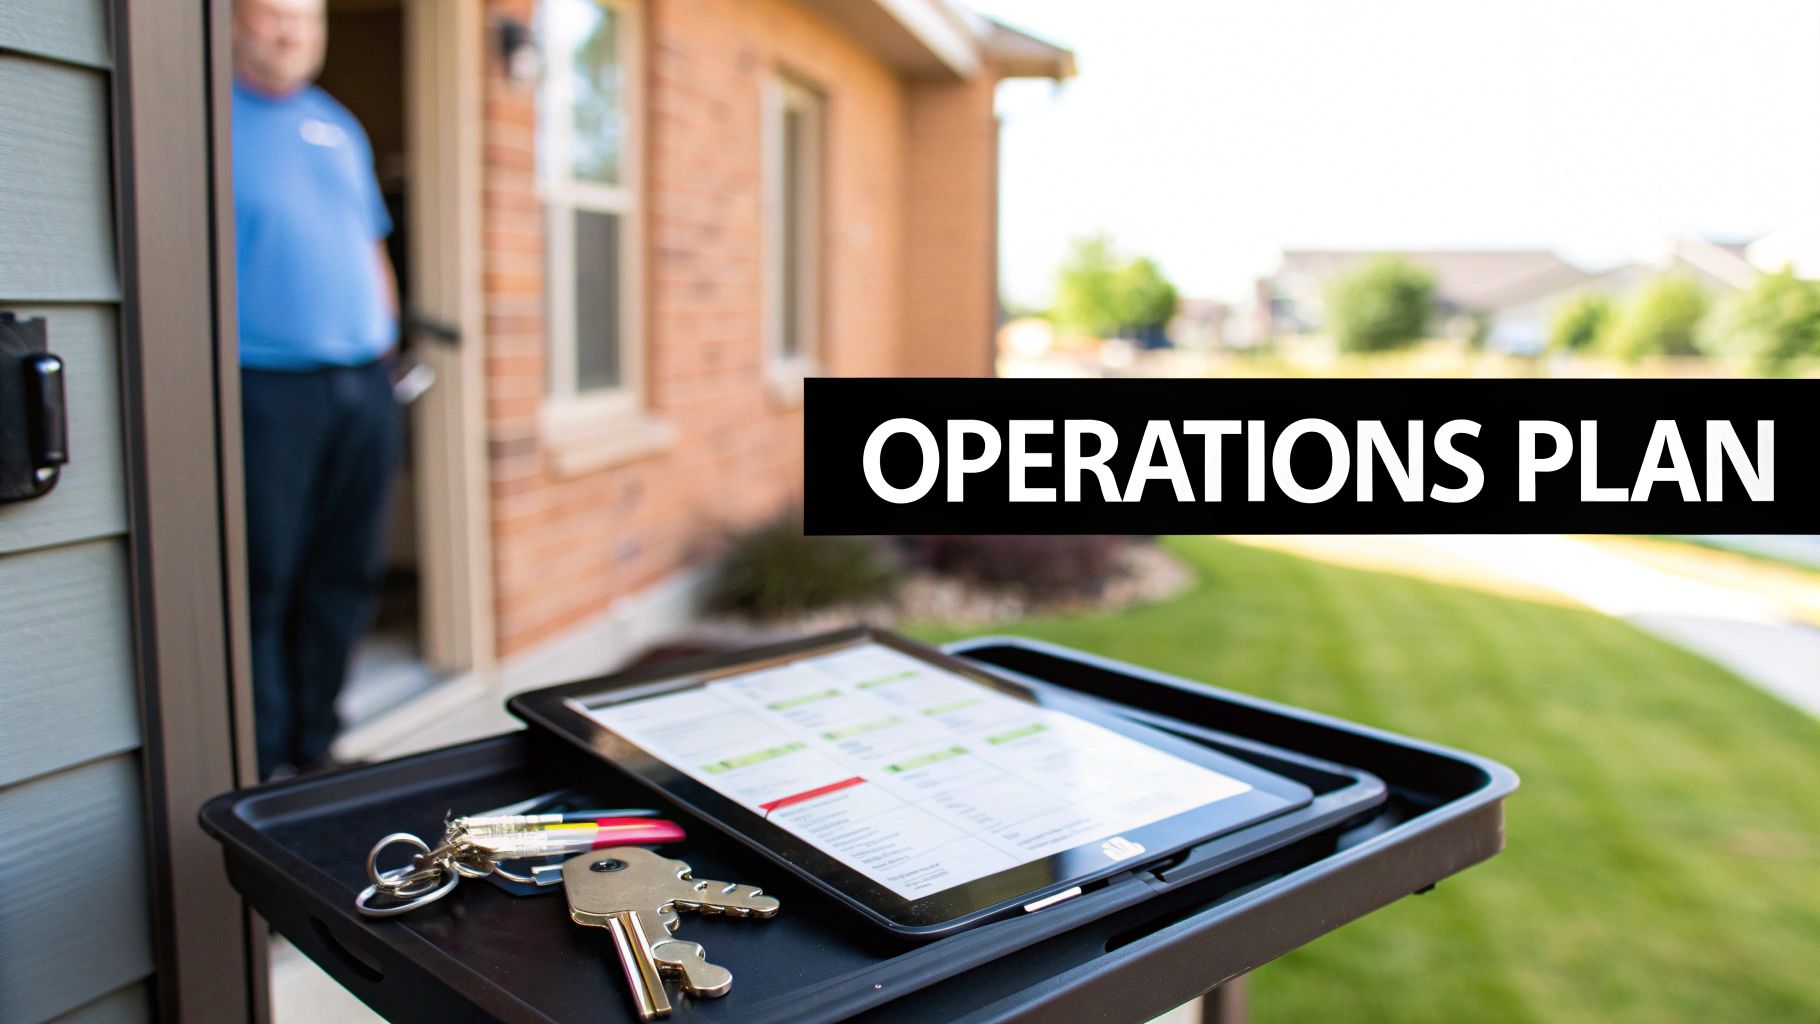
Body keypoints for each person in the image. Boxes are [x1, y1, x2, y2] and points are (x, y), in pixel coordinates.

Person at [232, 0, 401, 779]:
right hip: (266, 384)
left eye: (308, 17)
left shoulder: (338, 124)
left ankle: (316, 745)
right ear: (236, 22)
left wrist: (386, 347)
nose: (293, 31)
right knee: (268, 573)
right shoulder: (207, 118)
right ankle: (265, 758)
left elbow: (367, 244)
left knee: (345, 570)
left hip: (363, 381)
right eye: (274, 15)